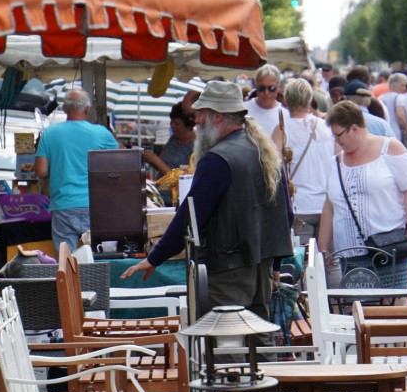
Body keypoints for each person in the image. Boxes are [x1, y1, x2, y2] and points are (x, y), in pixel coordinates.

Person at [121, 81, 293, 323]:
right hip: (259, 266)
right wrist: (275, 264)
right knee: (259, 340)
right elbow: (286, 215)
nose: (197, 121)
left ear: (218, 117)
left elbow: (189, 217)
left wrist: (155, 257)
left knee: (226, 346)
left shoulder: (218, 159)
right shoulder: (263, 150)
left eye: (200, 114)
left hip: (228, 269)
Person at [318, 101, 407, 289]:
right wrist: (323, 247)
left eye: (339, 135)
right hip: (350, 254)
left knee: (394, 307)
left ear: (354, 128)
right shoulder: (336, 162)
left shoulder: (390, 148)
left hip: (389, 249)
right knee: (360, 309)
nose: (336, 141)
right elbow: (329, 206)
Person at [34, 89, 119, 251]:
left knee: (67, 262)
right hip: (95, 205)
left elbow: (41, 171)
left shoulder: (50, 133)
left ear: (65, 109)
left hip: (63, 205)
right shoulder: (101, 133)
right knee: (97, 256)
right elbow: (121, 160)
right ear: (87, 109)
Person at [271, 78, 335, 247]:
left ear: (285, 99)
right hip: (327, 204)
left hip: (299, 206)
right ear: (309, 99)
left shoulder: (281, 130)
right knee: (331, 259)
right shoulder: (327, 127)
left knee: (304, 262)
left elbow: (275, 169)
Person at [146, 103, 196, 206]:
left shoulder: (194, 148)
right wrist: (149, 159)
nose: (173, 126)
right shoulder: (173, 140)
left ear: (188, 126)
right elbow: (160, 166)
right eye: (171, 122)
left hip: (174, 202)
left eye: (177, 124)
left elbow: (180, 179)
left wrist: (156, 160)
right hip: (160, 197)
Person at [245, 64, 291, 136]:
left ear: (278, 86)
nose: (266, 93)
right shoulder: (243, 110)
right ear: (255, 85)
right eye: (261, 88)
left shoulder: (286, 116)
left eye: (271, 88)